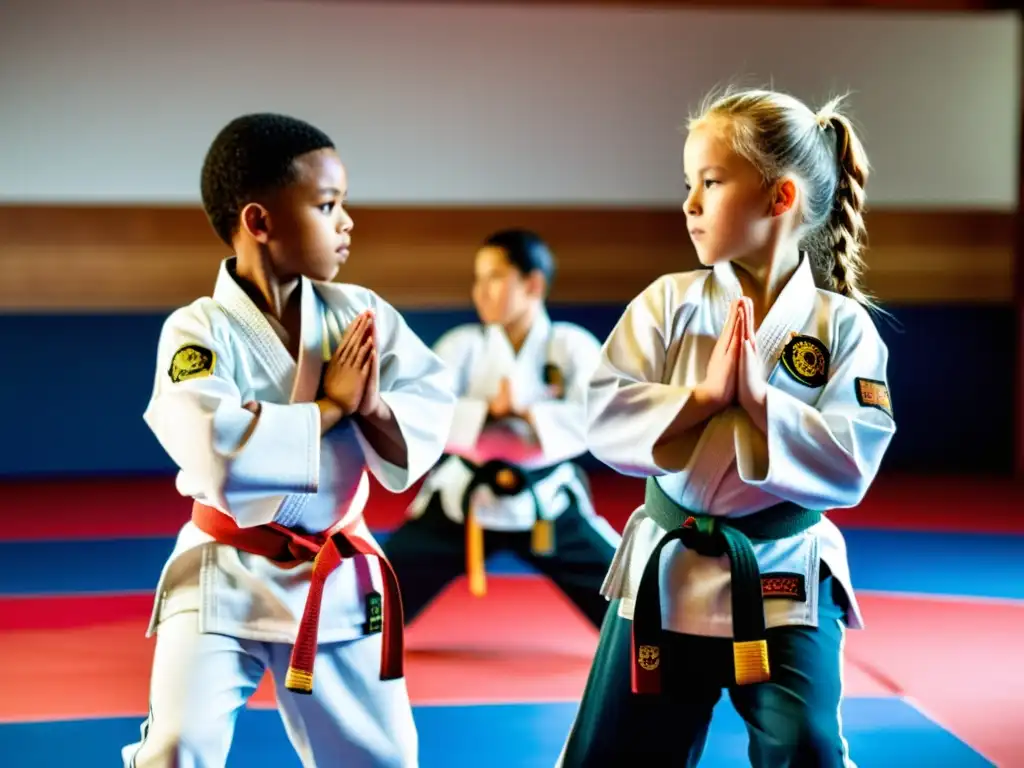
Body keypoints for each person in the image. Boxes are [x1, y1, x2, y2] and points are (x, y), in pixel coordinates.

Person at [558, 88, 897, 767]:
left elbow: (852, 462)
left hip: (781, 578)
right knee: (613, 756)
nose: (689, 204)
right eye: (689, 184)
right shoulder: (668, 303)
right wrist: (704, 398)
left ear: (779, 199)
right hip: (667, 571)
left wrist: (760, 403)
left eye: (710, 183)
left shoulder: (842, 329)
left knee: (807, 747)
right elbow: (599, 415)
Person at [122, 113, 455, 768]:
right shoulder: (197, 332)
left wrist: (372, 405)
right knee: (175, 748)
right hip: (223, 572)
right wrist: (330, 407)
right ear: (259, 222)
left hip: (332, 576)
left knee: (382, 760)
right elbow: (217, 453)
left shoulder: (361, 315)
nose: (346, 222)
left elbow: (429, 411)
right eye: (327, 205)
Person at [382, 229, 620, 629]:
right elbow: (425, 412)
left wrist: (528, 414)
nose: (481, 291)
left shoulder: (571, 344)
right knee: (375, 601)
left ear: (533, 284)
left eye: (494, 277)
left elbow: (598, 417)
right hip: (464, 501)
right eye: (478, 279)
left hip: (547, 502)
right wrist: (489, 412)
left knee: (630, 605)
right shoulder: (462, 345)